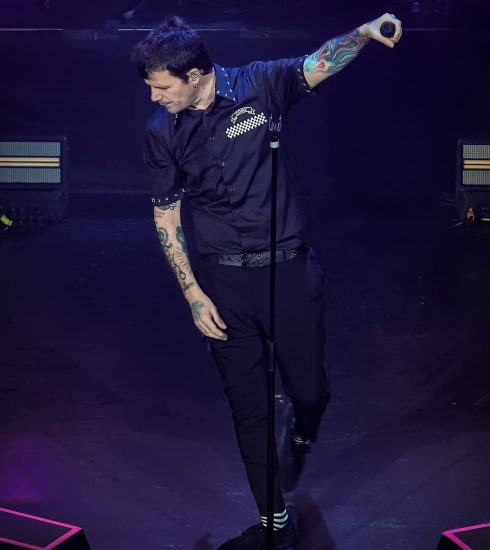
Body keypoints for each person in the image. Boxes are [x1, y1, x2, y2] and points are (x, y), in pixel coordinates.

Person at [131, 13, 402, 549]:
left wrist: (364, 34)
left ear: (195, 74)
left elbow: (320, 64)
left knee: (310, 390)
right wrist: (193, 294)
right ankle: (274, 519)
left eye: (161, 87)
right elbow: (166, 216)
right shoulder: (161, 131)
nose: (154, 97)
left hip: (289, 272)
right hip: (223, 285)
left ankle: (302, 429)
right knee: (248, 407)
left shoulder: (260, 85)